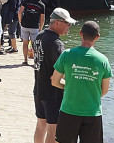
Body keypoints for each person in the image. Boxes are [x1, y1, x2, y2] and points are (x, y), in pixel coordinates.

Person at [51, 21, 112, 143]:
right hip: (92, 112)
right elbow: (104, 90)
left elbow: (54, 81)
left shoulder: (67, 55)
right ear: (97, 37)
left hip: (69, 110)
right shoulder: (103, 60)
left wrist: (69, 86)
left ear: (80, 34)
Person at [33, 8, 76, 143]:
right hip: (53, 93)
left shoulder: (39, 36)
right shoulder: (56, 43)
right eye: (67, 23)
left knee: (41, 125)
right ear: (57, 23)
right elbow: (65, 69)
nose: (69, 27)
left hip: (39, 88)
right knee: (53, 129)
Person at [18, 0, 48, 65]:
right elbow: (42, 18)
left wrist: (20, 22)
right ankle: (35, 61)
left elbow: (20, 12)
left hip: (25, 24)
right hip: (34, 26)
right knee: (35, 44)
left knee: (25, 43)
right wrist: (40, 28)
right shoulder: (41, 5)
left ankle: (25, 60)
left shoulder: (27, 0)